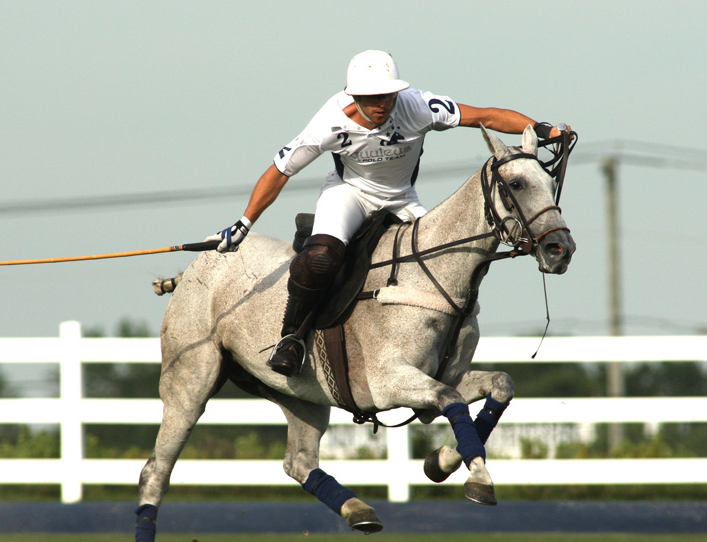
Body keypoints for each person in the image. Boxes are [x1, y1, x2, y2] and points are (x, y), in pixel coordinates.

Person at [206, 50, 573, 377]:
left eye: (388, 95)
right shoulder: (329, 122)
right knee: (319, 259)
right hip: (349, 194)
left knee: (453, 261)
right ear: (355, 97)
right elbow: (279, 172)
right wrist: (244, 223)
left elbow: (487, 116)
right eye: (372, 98)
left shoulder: (418, 106)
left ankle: (442, 349)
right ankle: (291, 338)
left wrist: (543, 128)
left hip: (402, 198)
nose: (382, 103)